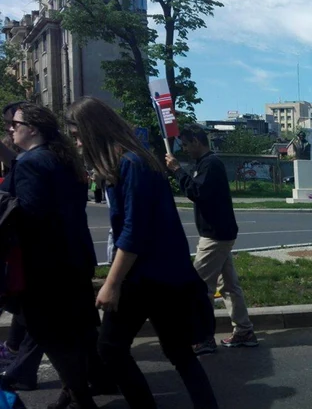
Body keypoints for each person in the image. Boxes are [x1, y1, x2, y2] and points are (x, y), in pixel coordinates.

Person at [65, 97, 219, 409]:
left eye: (77, 134)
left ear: (92, 130)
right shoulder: (131, 162)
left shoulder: (131, 164)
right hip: (162, 275)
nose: (77, 142)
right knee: (179, 353)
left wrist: (111, 283)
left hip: (146, 278)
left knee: (110, 348)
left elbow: (134, 231)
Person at [6, 103, 99, 408]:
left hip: (45, 268)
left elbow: (33, 217)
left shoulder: (31, 163)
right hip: (75, 260)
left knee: (52, 336)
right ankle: (71, 394)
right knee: (74, 333)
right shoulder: (61, 158)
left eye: (14, 123)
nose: (10, 128)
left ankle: (81, 398)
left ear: (32, 128)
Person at [165, 124, 258, 354]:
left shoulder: (210, 164)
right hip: (219, 233)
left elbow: (197, 192)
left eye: (186, 144)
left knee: (198, 288)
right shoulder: (205, 164)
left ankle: (204, 337)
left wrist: (177, 170)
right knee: (228, 286)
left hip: (215, 236)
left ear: (197, 141)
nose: (185, 149)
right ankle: (244, 330)